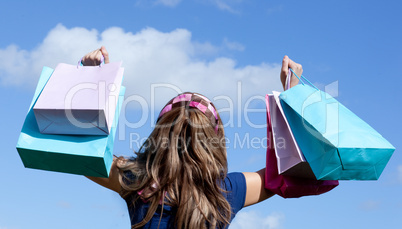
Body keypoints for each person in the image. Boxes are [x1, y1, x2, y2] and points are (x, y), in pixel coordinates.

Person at [83, 46, 303, 228]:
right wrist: (292, 95)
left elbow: (80, 154)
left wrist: (90, 82)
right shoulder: (229, 191)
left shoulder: (136, 180)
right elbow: (288, 169)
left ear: (159, 133)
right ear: (214, 141)